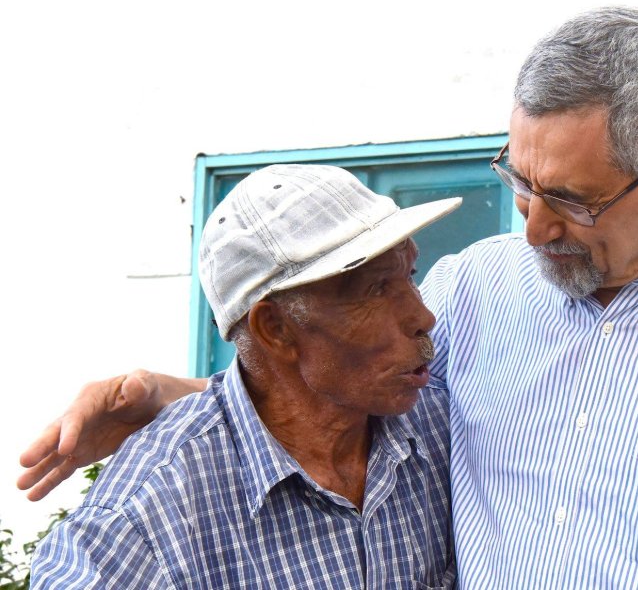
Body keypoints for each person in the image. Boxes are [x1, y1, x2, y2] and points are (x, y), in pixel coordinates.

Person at [21, 7, 638, 588]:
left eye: (573, 201)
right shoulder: (477, 289)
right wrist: (176, 403)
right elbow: (342, 384)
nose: (533, 231)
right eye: (522, 182)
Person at [28, 164, 461, 589]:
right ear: (275, 329)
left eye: (410, 275)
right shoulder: (155, 511)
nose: (424, 316)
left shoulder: (443, 423)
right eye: (376, 290)